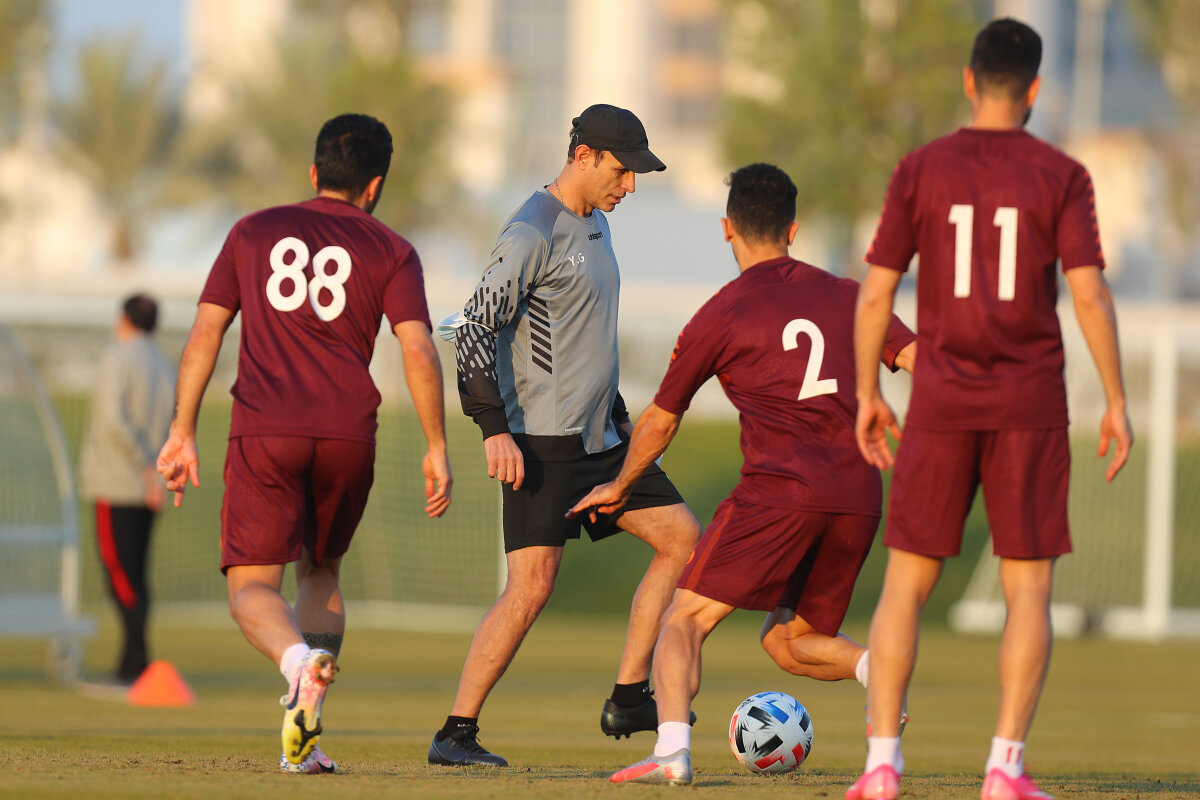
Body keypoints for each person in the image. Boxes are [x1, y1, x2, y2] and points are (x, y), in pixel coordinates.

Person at [849, 18, 1133, 800]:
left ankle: (881, 766)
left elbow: (875, 294)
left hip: (940, 399)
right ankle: (1004, 768)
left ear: (970, 81)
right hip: (1029, 403)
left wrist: (868, 393)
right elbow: (1089, 294)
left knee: (906, 584)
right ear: (1035, 89)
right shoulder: (1062, 175)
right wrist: (1115, 399)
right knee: (1028, 590)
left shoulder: (919, 168)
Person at [568, 163, 916, 785]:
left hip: (780, 491)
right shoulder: (850, 295)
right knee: (787, 641)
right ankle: (877, 671)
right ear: (793, 229)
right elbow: (924, 361)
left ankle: (671, 751)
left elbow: (660, 420)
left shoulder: (722, 313)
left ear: (727, 228)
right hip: (859, 495)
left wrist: (620, 485)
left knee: (683, 620)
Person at [156, 113, 452, 775]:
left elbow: (205, 334)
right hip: (348, 433)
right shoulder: (394, 250)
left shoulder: (251, 231)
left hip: (267, 428)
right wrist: (437, 444)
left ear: (314, 172)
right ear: (374, 186)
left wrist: (181, 431)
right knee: (321, 573)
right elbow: (418, 350)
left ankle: (297, 666)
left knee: (251, 588)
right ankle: (307, 738)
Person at [427, 104, 703, 768]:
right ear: (584, 156)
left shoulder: (599, 222)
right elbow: (474, 328)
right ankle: (455, 734)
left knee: (683, 539)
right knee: (531, 588)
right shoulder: (531, 231)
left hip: (603, 439)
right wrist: (493, 429)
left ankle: (629, 696)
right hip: (542, 446)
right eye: (622, 171)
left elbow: (586, 337)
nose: (629, 186)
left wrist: (620, 414)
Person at [79, 293, 175, 685]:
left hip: (117, 483)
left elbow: (113, 420)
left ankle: (136, 662)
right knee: (136, 574)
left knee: (120, 573)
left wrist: (145, 464)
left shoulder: (116, 358)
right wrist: (157, 475)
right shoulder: (165, 364)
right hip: (150, 489)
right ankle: (131, 662)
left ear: (123, 318)